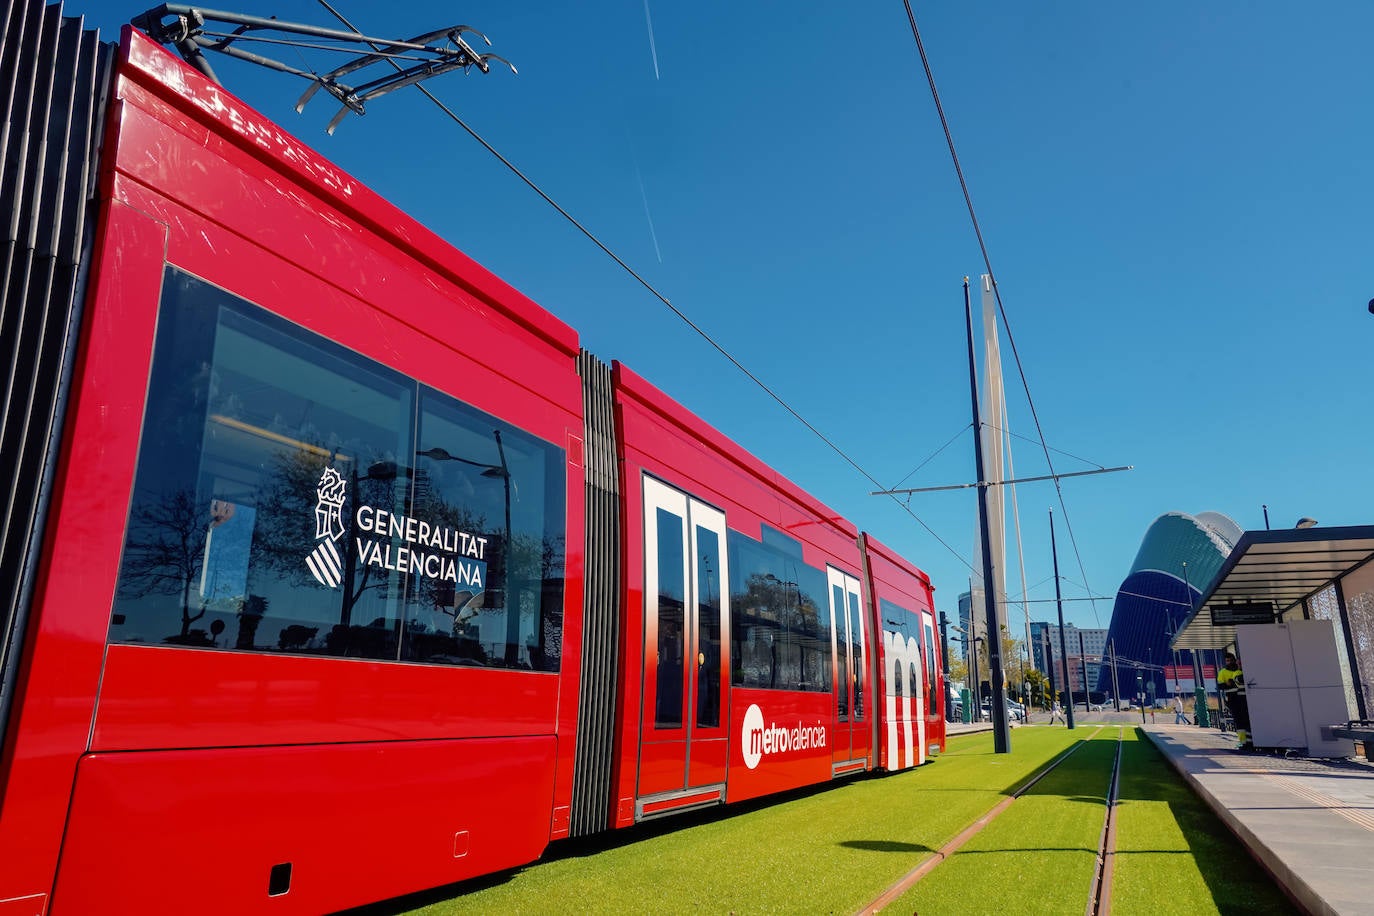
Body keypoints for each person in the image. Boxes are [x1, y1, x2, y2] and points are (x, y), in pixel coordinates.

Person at [1217, 652, 1251, 748]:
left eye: (1231, 660)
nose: (1230, 662)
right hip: (1232, 699)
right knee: (1238, 721)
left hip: (1243, 698)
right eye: (1228, 661)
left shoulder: (1239, 670)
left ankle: (1248, 741)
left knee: (1246, 720)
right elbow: (1220, 685)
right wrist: (1227, 684)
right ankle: (1243, 741)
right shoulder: (1222, 672)